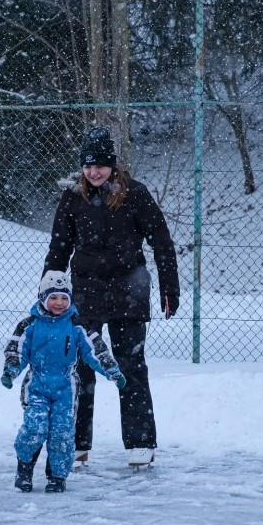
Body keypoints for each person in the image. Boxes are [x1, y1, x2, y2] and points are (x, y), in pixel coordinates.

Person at [43, 126, 180, 467]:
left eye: (101, 165)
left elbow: (161, 242)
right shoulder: (73, 197)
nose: (94, 172)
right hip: (86, 292)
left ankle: (140, 444)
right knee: (79, 366)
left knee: (129, 366)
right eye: (88, 166)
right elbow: (59, 247)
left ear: (113, 165)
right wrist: (50, 290)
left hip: (128, 289)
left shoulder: (135, 194)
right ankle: (76, 444)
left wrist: (169, 287)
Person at [1, 270, 126, 493]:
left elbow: (96, 351)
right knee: (34, 428)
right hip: (37, 385)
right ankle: (25, 469)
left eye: (64, 298)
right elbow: (17, 351)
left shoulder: (77, 325)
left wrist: (112, 371)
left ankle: (57, 477)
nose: (59, 303)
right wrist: (11, 370)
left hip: (66, 388)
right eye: (53, 298)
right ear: (43, 298)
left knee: (62, 433)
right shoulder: (29, 325)